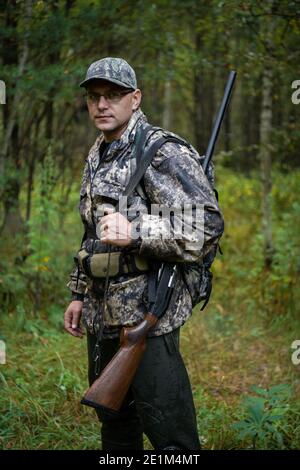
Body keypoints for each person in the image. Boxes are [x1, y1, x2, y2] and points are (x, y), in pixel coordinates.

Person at [63, 57, 224, 451]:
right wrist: (79, 294)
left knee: (173, 442)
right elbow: (93, 232)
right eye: (94, 96)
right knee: (115, 426)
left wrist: (136, 231)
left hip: (149, 317)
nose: (102, 104)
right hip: (103, 313)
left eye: (113, 95)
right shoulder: (100, 151)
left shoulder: (161, 152)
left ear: (135, 99)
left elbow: (205, 226)